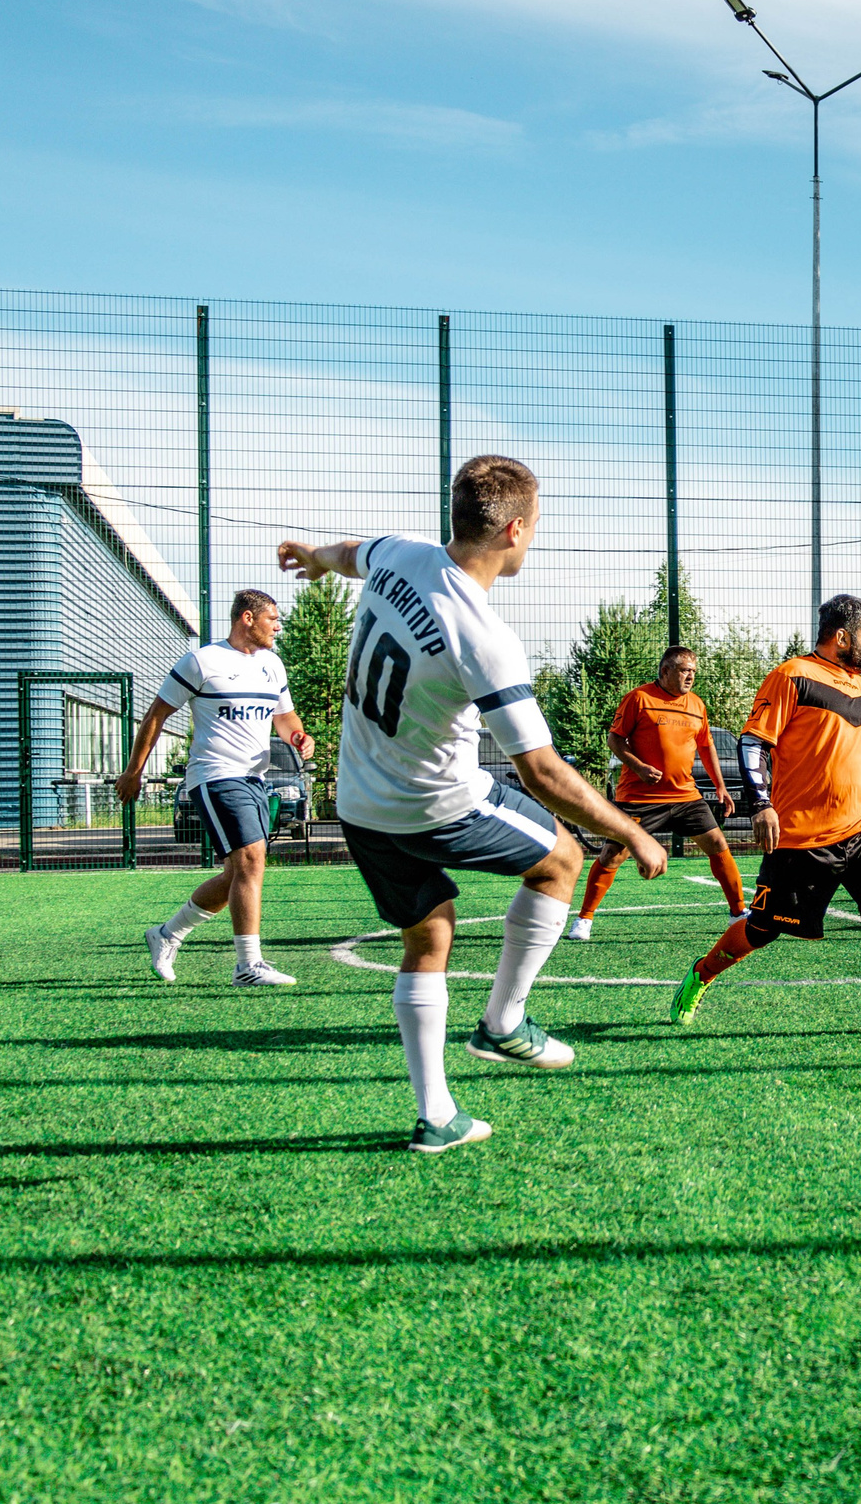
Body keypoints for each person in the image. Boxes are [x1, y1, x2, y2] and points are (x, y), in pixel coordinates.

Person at [276, 454, 668, 1154]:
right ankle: (503, 1023)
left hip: (361, 804)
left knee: (428, 936)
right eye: (537, 526)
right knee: (561, 858)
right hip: (439, 803)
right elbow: (542, 770)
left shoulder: (399, 554)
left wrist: (313, 556)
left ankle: (436, 1116)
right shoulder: (484, 637)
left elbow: (346, 553)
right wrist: (630, 830)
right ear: (515, 530)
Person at [669, 594, 861, 1036]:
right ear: (842, 637)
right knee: (763, 930)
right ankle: (701, 974)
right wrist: (762, 804)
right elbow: (753, 743)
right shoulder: (792, 676)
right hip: (802, 838)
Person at [119, 590, 316, 986]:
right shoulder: (201, 661)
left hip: (255, 779)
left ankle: (166, 934)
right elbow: (157, 715)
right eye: (272, 619)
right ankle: (248, 965)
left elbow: (286, 719)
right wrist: (134, 771)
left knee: (236, 876)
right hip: (214, 775)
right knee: (250, 860)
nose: (278, 626)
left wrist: (300, 738)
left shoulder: (272, 666)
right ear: (247, 618)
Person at [566, 644, 746, 940]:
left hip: (686, 796)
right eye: (685, 671)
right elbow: (615, 740)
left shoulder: (697, 704)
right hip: (639, 798)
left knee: (717, 843)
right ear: (665, 671)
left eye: (694, 672)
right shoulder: (639, 699)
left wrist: (720, 786)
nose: (691, 677)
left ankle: (738, 913)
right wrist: (638, 767)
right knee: (612, 855)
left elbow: (706, 745)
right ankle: (584, 919)